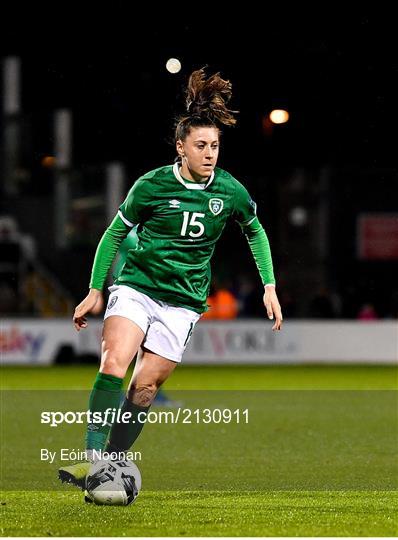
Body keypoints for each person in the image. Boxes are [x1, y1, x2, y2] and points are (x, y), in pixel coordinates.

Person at [58, 68, 283, 492]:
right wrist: (95, 289)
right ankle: (92, 460)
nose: (210, 153)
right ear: (181, 148)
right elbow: (114, 232)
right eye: (200, 145)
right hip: (137, 288)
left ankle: (115, 460)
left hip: (184, 301)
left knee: (144, 389)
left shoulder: (230, 191)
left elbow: (254, 229)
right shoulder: (152, 186)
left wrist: (269, 286)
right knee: (114, 362)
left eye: (215, 145)